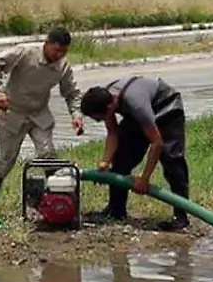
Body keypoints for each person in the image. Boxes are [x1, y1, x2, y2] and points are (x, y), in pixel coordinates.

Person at [80, 75, 189, 231]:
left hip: (166, 107)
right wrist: (106, 161)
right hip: (140, 111)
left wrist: (144, 179)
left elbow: (156, 143)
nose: (100, 121)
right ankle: (116, 210)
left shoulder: (136, 104)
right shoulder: (105, 97)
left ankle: (181, 218)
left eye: (100, 118)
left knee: (173, 161)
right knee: (121, 157)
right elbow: (113, 133)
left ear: (111, 107)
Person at [0, 26, 83, 196]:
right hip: (12, 112)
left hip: (39, 114)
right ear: (47, 44)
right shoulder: (25, 52)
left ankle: (55, 194)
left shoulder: (63, 66)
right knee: (7, 161)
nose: (59, 55)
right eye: (56, 50)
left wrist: (76, 115)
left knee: (47, 154)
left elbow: (72, 93)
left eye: (64, 52)